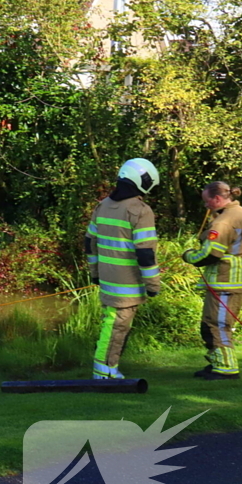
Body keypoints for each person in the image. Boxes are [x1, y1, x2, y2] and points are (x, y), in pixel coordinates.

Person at [85, 158, 161, 379]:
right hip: (127, 284)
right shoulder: (140, 210)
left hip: (108, 281)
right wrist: (153, 285)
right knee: (117, 326)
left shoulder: (103, 205)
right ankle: (103, 371)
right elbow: (145, 253)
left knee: (113, 323)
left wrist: (95, 273)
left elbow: (89, 242)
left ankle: (108, 368)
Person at [182, 181, 242, 380]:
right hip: (237, 277)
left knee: (216, 325)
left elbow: (211, 253)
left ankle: (226, 368)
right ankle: (216, 363)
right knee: (214, 323)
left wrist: (188, 256)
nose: (206, 206)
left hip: (226, 280)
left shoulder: (224, 221)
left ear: (217, 198)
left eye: (207, 201)